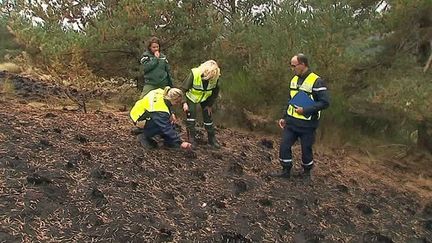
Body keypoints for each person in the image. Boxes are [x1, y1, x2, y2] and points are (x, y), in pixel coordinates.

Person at [274, 53, 330, 180]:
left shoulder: (317, 81)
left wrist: (305, 110)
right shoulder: (294, 80)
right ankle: (286, 170)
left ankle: (306, 173)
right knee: (284, 146)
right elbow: (290, 99)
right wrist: (284, 117)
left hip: (308, 124)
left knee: (306, 149)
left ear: (303, 65)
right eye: (291, 66)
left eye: (294, 66)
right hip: (292, 122)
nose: (292, 69)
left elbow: (325, 102)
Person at [181, 60, 221, 149]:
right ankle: (192, 139)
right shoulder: (194, 73)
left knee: (208, 116)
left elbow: (215, 92)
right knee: (191, 116)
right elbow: (183, 89)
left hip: (206, 98)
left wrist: (210, 105)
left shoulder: (215, 76)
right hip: (191, 97)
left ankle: (212, 139)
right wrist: (184, 103)